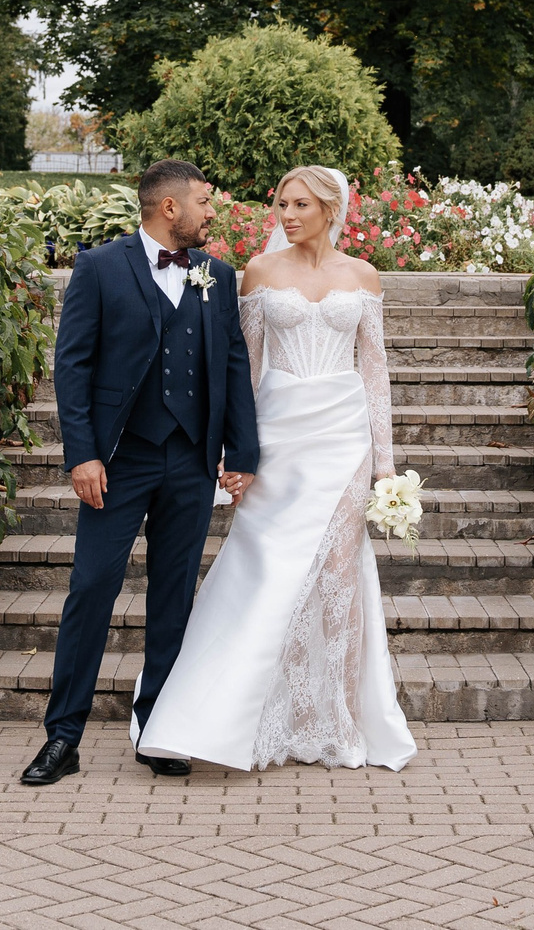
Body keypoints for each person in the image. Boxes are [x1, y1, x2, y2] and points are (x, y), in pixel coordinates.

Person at [136, 164, 417, 772]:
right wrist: (237, 451)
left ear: (330, 209)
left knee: (340, 576)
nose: (285, 216)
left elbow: (375, 374)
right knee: (266, 572)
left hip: (344, 441)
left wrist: (386, 468)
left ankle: (337, 723)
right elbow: (245, 369)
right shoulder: (260, 274)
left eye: (299, 206)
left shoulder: (363, 277)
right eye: (281, 205)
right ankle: (261, 714)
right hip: (279, 437)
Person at [20, 159, 260, 786]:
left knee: (173, 600)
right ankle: (62, 737)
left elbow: (233, 366)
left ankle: (160, 730)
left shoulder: (217, 275)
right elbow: (71, 365)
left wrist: (242, 453)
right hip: (117, 460)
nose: (213, 213)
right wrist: (82, 454)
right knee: (91, 590)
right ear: (169, 208)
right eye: (205, 202)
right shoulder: (100, 267)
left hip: (189, 459)